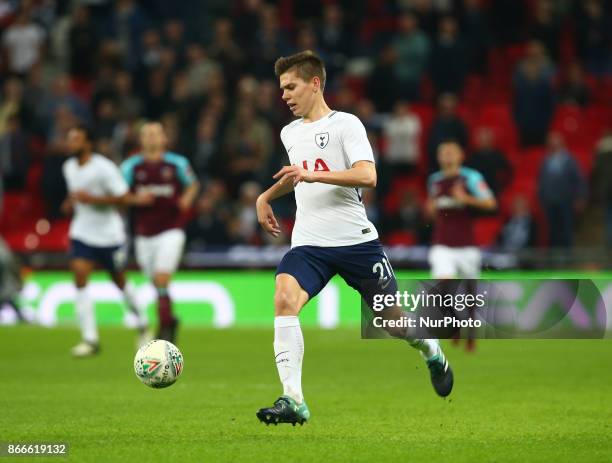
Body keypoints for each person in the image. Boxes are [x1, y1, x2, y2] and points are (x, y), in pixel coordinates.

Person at [254, 50, 453, 426]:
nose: (284, 95)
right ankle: (293, 399)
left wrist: (316, 176)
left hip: (356, 243)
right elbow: (298, 174)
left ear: (315, 83)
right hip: (310, 244)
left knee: (394, 322)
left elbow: (367, 176)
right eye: (282, 89)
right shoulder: (289, 132)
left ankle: (431, 348)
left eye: (291, 86)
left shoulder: (347, 125)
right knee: (284, 299)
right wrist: (266, 196)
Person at [62, 125, 152, 357]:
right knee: (80, 278)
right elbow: (77, 197)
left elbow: (123, 199)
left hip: (109, 235)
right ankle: (90, 339)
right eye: (70, 140)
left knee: (119, 280)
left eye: (76, 140)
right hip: (82, 233)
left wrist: (92, 199)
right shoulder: (68, 167)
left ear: (88, 144)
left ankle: (142, 322)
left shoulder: (104, 168)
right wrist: (71, 203)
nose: (71, 144)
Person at [121, 122, 199, 344]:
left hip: (171, 230)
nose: (152, 138)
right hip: (143, 233)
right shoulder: (131, 166)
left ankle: (164, 329)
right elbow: (120, 193)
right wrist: (136, 199)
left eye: (156, 134)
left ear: (165, 139)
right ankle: (170, 320)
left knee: (161, 279)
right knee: (157, 284)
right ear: (141, 140)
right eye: (147, 134)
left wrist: (186, 199)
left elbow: (193, 184)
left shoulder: (176, 163)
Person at [426, 140, 497, 351]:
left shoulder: (471, 177)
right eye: (443, 152)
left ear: (460, 156)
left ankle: (471, 334)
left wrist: (465, 198)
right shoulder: (434, 181)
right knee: (443, 286)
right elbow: (432, 212)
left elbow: (491, 203)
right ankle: (455, 323)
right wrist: (429, 208)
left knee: (470, 292)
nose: (447, 155)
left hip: (467, 244)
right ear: (438, 157)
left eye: (451, 152)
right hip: (442, 244)